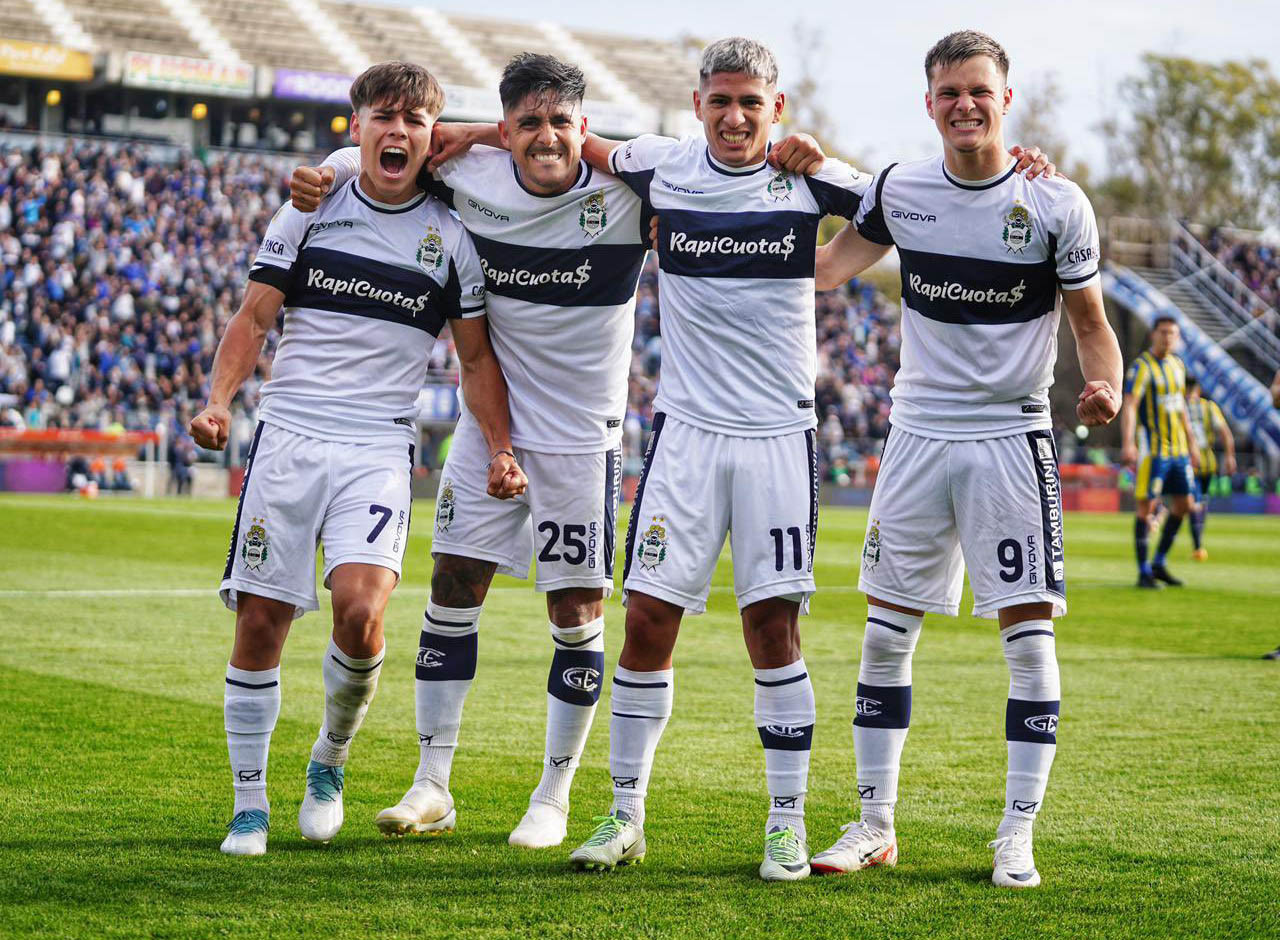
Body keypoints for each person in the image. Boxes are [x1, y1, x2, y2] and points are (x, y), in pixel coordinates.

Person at [291, 53, 834, 850]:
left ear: (586, 130)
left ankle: (553, 795)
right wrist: (323, 172)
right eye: (528, 124)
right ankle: (433, 782)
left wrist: (802, 145)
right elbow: (380, 155)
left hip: (585, 438)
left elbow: (731, 170)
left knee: (575, 613)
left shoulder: (631, 187)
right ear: (504, 129)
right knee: (452, 586)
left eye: (562, 124)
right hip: (493, 427)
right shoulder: (469, 173)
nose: (547, 139)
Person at [565, 37, 1054, 882]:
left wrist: (1021, 169)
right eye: (720, 101)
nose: (735, 116)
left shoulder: (822, 179)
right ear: (697, 105)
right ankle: (625, 815)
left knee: (772, 629)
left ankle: (785, 822)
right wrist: (456, 140)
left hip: (778, 438)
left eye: (751, 102)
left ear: (776, 108)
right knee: (646, 621)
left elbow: (946, 191)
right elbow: (569, 138)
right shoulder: (662, 168)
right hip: (682, 431)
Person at [805, 30, 1121, 889]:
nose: (965, 105)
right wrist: (734, 223)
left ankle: (1017, 833)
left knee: (1026, 640)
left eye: (979, 91)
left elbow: (1093, 328)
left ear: (1005, 100)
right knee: (883, 635)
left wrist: (1106, 389)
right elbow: (830, 268)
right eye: (949, 93)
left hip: (1010, 438)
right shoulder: (901, 191)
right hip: (915, 435)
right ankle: (874, 823)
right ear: (930, 103)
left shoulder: (1057, 204)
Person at [192, 61, 525, 857]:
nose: (399, 131)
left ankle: (329, 760)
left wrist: (502, 449)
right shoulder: (310, 206)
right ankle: (248, 806)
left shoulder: (452, 237)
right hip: (290, 437)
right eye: (385, 116)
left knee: (362, 614)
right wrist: (217, 399)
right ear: (358, 128)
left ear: (430, 136)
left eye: (416, 120)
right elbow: (255, 313)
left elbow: (477, 362)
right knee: (263, 620)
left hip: (377, 443)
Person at [1120, 316, 1199, 588]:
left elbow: (1182, 410)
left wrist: (1192, 444)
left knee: (1186, 504)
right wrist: (1128, 442)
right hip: (1154, 450)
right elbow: (1130, 404)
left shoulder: (1177, 366)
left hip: (1178, 450)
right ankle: (1143, 572)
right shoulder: (1142, 367)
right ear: (1153, 334)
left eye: (1172, 334)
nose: (1167, 338)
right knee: (1146, 506)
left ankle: (1159, 562)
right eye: (1163, 332)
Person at [1184, 376, 1235, 560]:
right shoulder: (1209, 407)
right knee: (1200, 502)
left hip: (1189, 462)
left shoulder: (1181, 408)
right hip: (1208, 461)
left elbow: (1225, 434)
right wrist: (1229, 456)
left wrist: (1229, 456)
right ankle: (1198, 544)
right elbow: (1226, 433)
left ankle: (1198, 546)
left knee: (1195, 503)